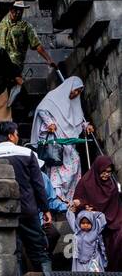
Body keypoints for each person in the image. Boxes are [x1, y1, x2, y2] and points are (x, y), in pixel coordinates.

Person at [0, 120, 53, 276]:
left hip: (1, 212)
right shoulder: (27, 154)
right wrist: (46, 209)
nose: (17, 137)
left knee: (13, 253)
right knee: (39, 249)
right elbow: (38, 185)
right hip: (27, 209)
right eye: (17, 134)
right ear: (10, 136)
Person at [29, 75, 93, 212]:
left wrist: (86, 126)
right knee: (58, 172)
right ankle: (57, 201)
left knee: (75, 164)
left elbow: (79, 119)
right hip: (56, 145)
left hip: (70, 145)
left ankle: (70, 201)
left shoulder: (75, 103)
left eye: (79, 91)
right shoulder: (53, 97)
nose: (76, 93)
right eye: (75, 90)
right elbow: (42, 109)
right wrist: (49, 123)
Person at [0, 1, 57, 104]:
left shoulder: (26, 27)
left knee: (17, 84)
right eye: (16, 10)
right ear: (11, 10)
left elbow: (37, 45)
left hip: (15, 65)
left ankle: (29, 106)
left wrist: (49, 59)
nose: (18, 12)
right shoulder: (1, 24)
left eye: (20, 10)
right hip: (0, 64)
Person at [71, 156, 122, 273]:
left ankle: (116, 272)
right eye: (103, 172)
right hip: (93, 223)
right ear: (97, 170)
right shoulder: (86, 182)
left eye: (109, 172)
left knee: (119, 236)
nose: (106, 175)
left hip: (113, 220)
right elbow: (78, 202)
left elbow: (116, 206)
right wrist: (84, 206)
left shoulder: (112, 184)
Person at [68, 207, 108, 273]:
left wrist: (91, 212)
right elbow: (70, 218)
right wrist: (71, 210)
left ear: (92, 222)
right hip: (79, 261)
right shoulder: (77, 231)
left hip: (93, 260)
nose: (85, 225)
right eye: (83, 223)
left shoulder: (95, 231)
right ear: (79, 223)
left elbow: (102, 217)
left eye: (88, 223)